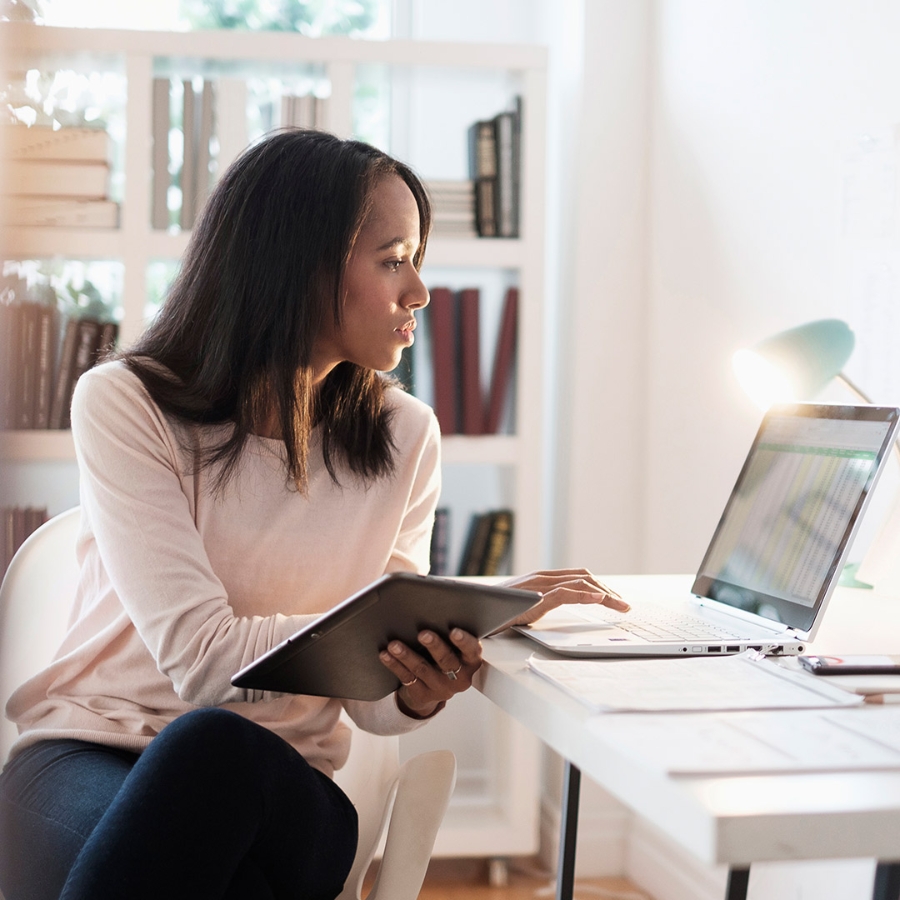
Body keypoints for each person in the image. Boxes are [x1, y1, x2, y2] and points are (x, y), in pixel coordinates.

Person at [0, 128, 629, 900]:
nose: (420, 293)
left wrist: (416, 682)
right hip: (89, 753)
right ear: (298, 263)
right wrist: (374, 626)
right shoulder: (128, 402)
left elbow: (372, 711)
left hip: (280, 783)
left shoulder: (405, 436)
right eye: (394, 259)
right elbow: (202, 662)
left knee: (216, 757)